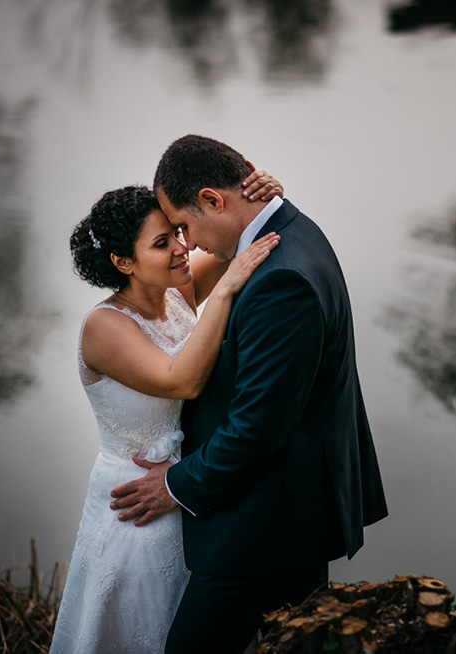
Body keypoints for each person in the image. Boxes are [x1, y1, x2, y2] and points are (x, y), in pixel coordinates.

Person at [108, 134, 388, 653]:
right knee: (298, 644)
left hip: (263, 526)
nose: (188, 244)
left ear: (213, 199)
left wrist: (173, 485)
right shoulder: (293, 232)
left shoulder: (280, 279)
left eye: (185, 226)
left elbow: (257, 427)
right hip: (288, 510)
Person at [51, 171, 284, 654]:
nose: (182, 248)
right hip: (134, 501)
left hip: (183, 486)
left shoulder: (176, 293)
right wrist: (225, 290)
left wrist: (260, 193)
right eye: (162, 243)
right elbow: (183, 380)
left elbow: (231, 240)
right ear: (124, 263)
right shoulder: (104, 326)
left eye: (177, 232)